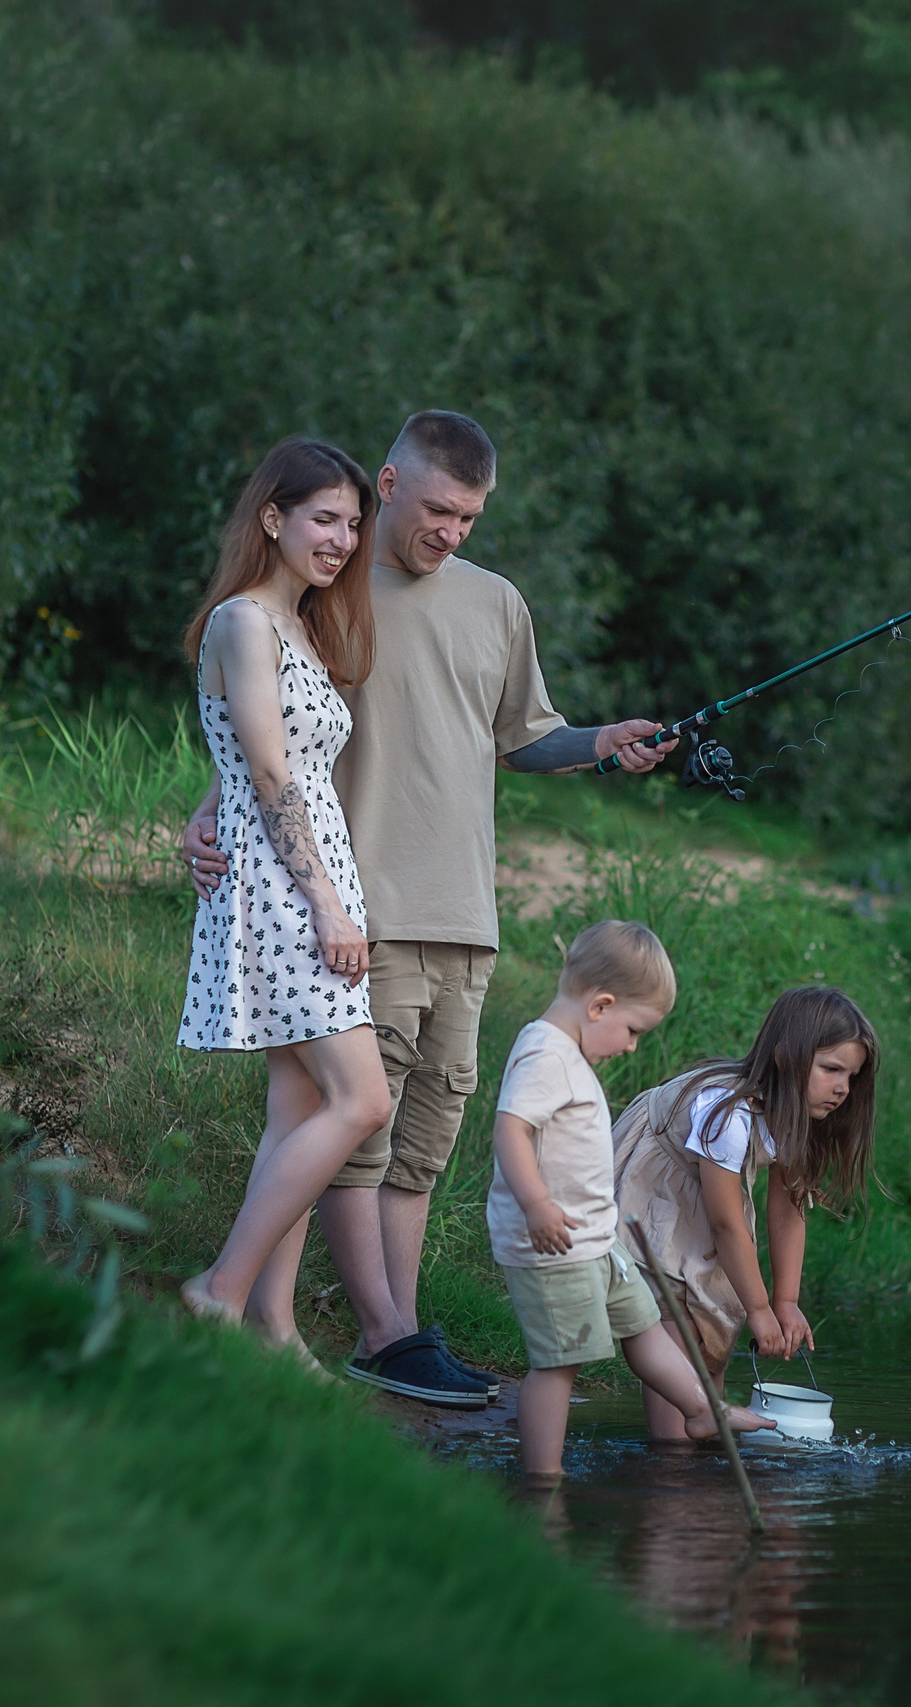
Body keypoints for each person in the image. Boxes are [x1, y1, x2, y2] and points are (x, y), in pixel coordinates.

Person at [183, 409, 676, 1404]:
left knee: (417, 1130)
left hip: (463, 912)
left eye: (471, 517)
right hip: (348, 899)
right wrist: (213, 814)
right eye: (440, 508)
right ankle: (368, 1328)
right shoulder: (327, 585)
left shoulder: (490, 604)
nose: (451, 531)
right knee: (355, 1113)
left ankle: (334, 1330)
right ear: (389, 483)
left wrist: (599, 742)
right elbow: (260, 734)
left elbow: (521, 737)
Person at [171, 436, 469, 1403]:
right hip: (286, 892)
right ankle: (220, 1289)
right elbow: (266, 768)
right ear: (273, 518)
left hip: (304, 874)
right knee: (365, 1101)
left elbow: (253, 760)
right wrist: (332, 904)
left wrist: (212, 806)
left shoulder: (297, 624)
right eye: (322, 519)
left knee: (297, 1111)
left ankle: (274, 1322)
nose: (341, 539)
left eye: (352, 522)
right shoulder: (244, 622)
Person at [488, 919, 774, 1478]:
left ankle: (702, 1411)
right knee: (560, 1362)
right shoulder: (545, 1054)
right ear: (600, 1005)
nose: (632, 1045)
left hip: (596, 1241)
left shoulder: (570, 1053)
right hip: (555, 1244)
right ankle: (543, 1479)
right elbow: (510, 1130)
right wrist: (537, 1204)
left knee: (645, 1327)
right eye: (633, 1030)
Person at [611, 985, 880, 1441]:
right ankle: (671, 1456)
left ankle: (704, 1428)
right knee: (673, 1312)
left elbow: (787, 1211)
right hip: (655, 1189)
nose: (842, 1088)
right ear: (785, 1057)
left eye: (851, 1077)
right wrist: (759, 1309)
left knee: (709, 1324)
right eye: (831, 1069)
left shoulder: (795, 1114)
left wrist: (785, 1302)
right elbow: (726, 1224)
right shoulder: (728, 1114)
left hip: (705, 1198)